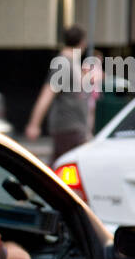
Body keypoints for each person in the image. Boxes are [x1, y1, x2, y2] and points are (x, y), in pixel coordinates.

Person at [25, 25, 91, 165]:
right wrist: (34, 124)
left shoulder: (72, 61)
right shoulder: (63, 63)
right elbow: (47, 94)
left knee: (61, 165)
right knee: (70, 165)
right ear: (82, 42)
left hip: (73, 126)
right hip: (68, 125)